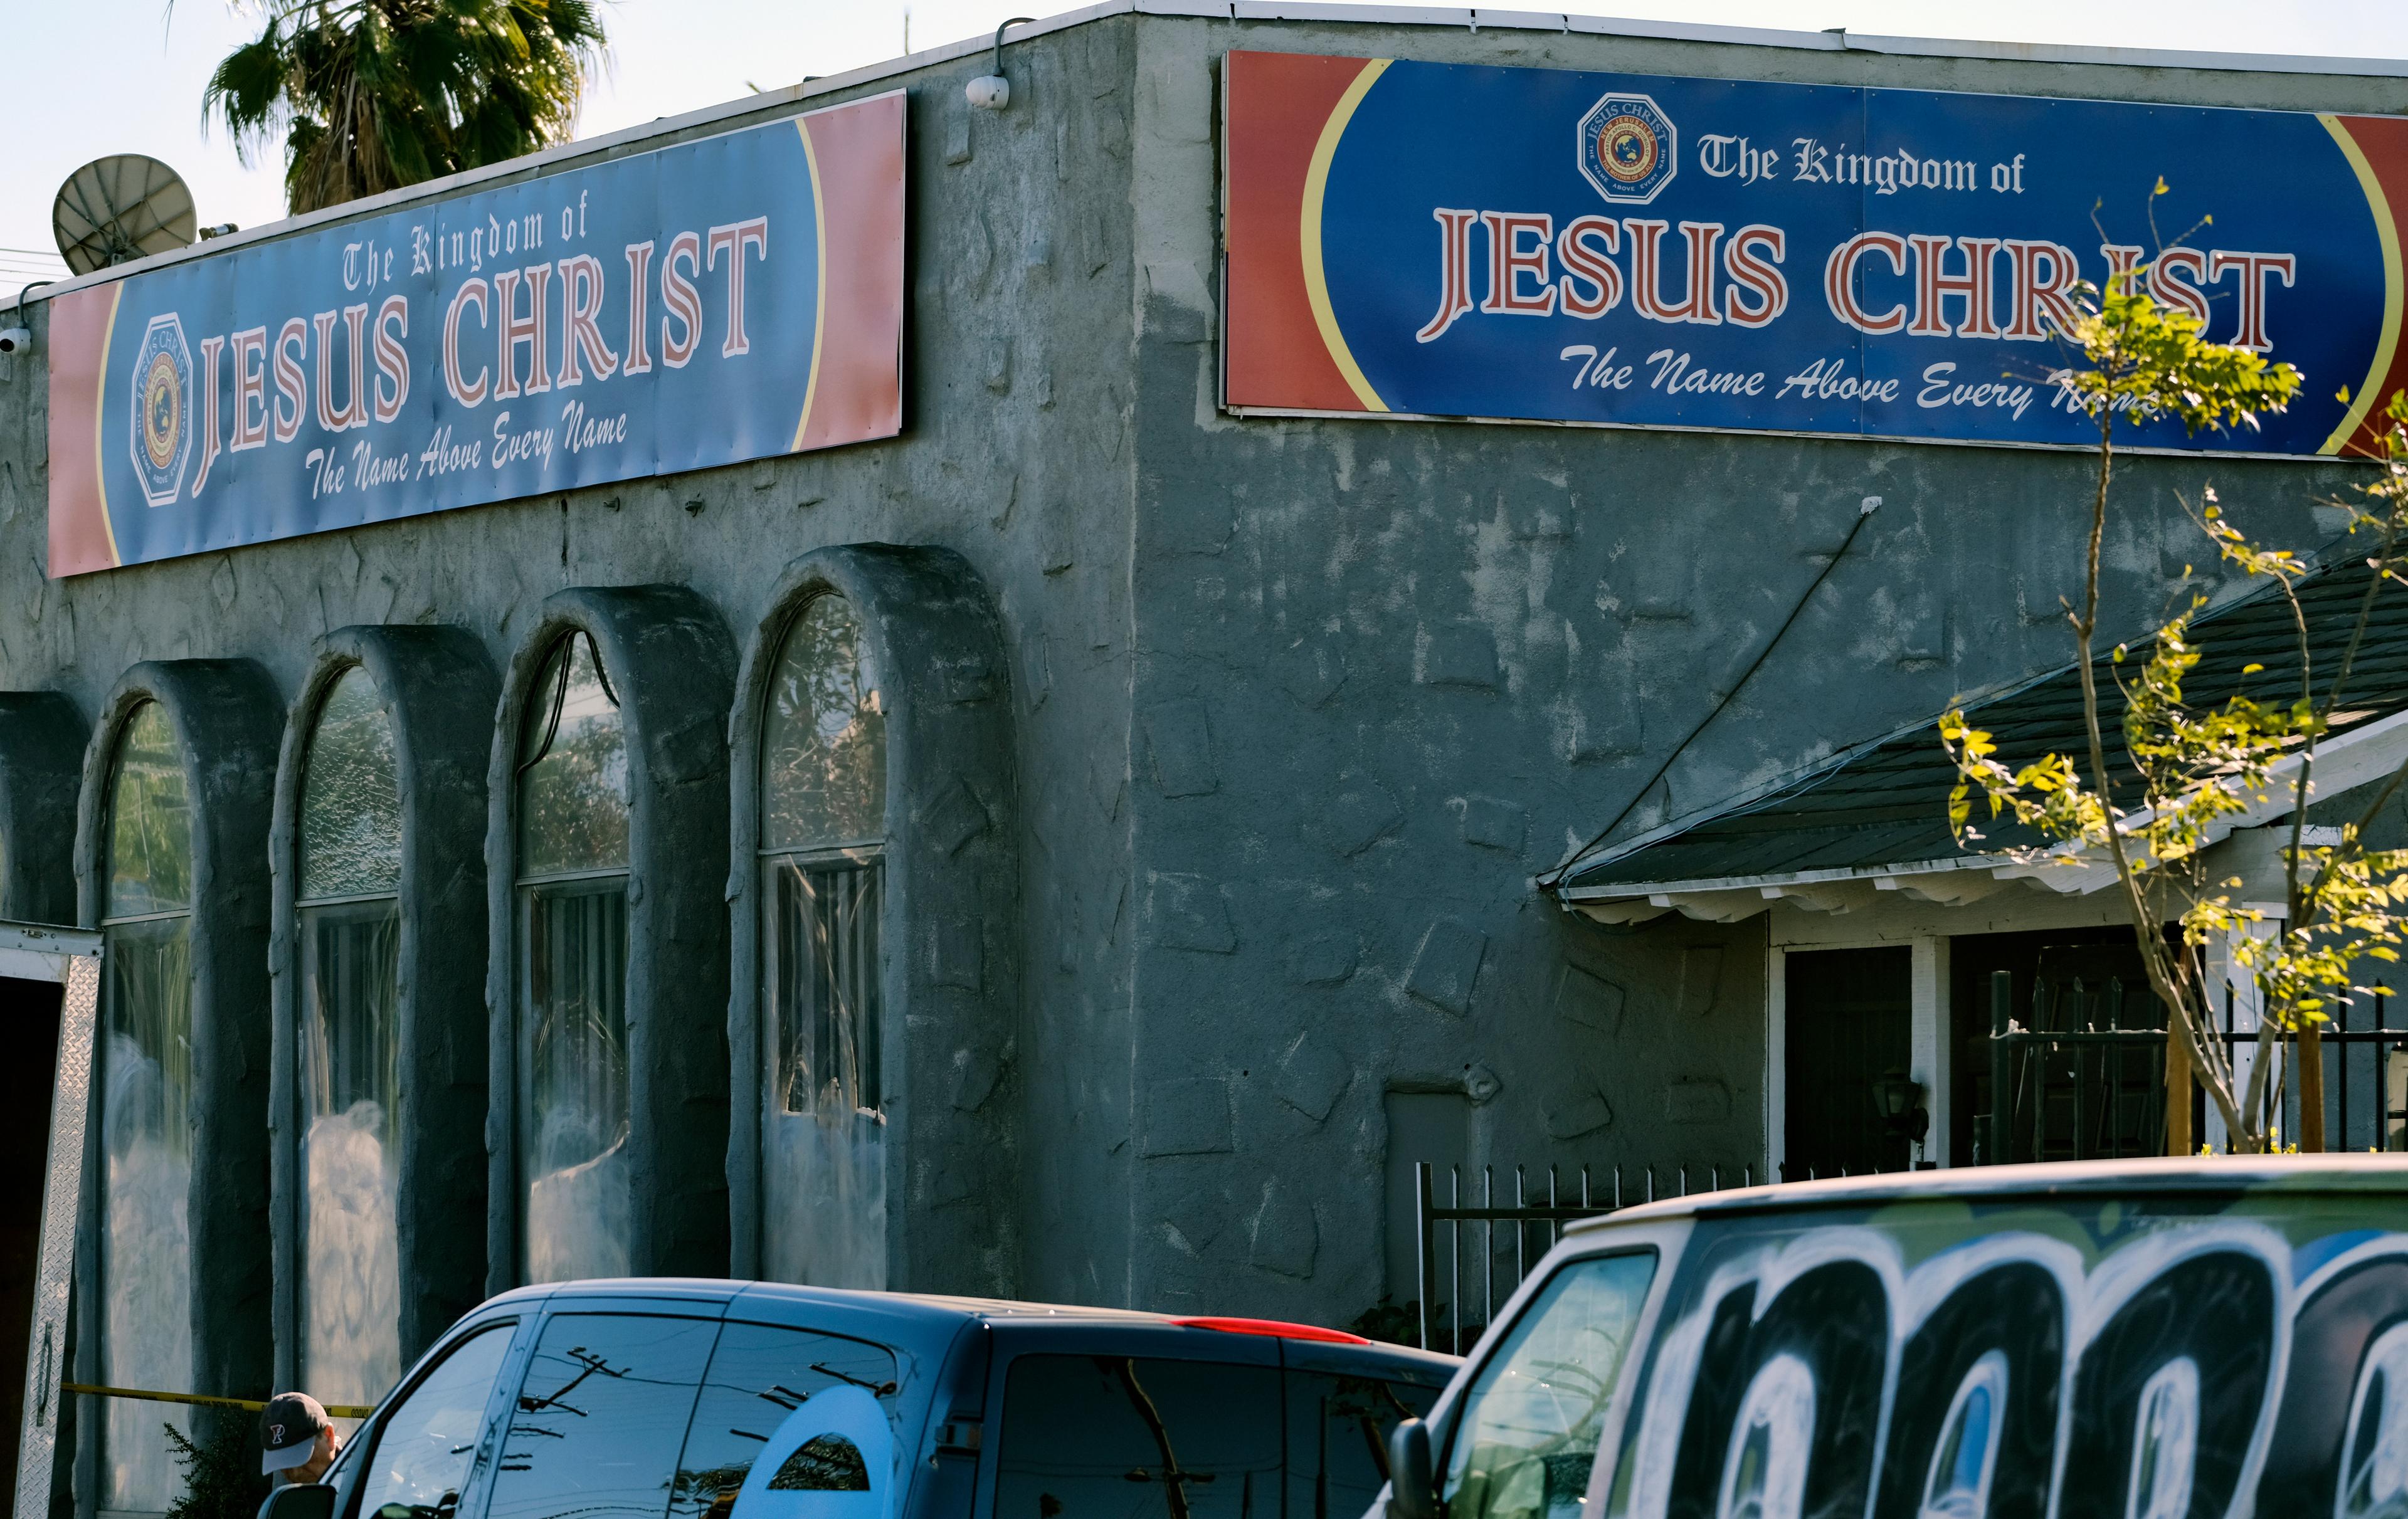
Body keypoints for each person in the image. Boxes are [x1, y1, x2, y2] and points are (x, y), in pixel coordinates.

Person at [259, 1392, 341, 1485]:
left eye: (303, 1458)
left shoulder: (358, 1485)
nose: (296, 1473)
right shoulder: (294, 1496)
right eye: (284, 1463)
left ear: (329, 1436)